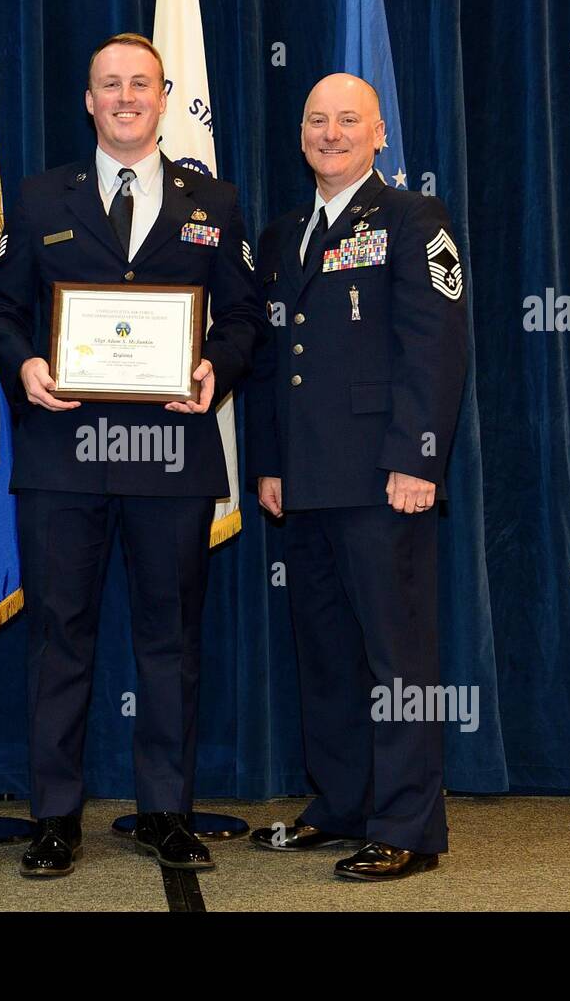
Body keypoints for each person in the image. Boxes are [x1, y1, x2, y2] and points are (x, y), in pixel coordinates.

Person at [0, 33, 263, 877]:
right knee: (58, 638)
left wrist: (218, 365)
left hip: (171, 455)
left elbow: (245, 318)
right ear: (90, 101)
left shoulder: (217, 201)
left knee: (170, 639)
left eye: (141, 83)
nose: (126, 97)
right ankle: (54, 819)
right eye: (111, 84)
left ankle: (166, 814)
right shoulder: (35, 200)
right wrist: (26, 363)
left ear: (164, 95)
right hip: (64, 457)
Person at [245, 73, 468, 881]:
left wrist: (418, 456)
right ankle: (340, 803)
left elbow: (435, 346)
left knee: (398, 657)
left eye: (348, 121)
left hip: (383, 478)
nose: (329, 133)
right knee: (328, 653)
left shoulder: (413, 219)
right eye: (316, 120)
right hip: (305, 483)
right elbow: (272, 363)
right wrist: (268, 463)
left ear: (379, 134)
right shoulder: (282, 236)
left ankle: (407, 822)